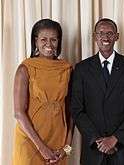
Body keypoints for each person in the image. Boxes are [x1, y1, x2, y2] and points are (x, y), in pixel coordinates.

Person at [70, 18, 124, 165]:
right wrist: (99, 141)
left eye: (110, 33)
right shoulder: (82, 69)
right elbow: (77, 110)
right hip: (93, 150)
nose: (105, 37)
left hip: (122, 149)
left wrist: (115, 139)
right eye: (101, 33)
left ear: (117, 36)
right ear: (95, 36)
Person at [12, 19, 73, 165]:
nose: (49, 44)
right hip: (30, 142)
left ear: (59, 41)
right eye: (44, 39)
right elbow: (18, 113)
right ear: (36, 41)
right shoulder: (25, 68)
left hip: (58, 144)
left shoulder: (67, 68)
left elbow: (71, 112)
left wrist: (67, 148)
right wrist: (42, 148)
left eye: (54, 39)